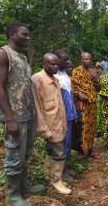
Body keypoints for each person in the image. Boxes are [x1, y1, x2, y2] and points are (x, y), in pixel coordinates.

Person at [0, 23, 44, 206]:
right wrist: (9, 118)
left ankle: (24, 186)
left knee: (25, 153)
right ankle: (13, 195)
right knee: (14, 154)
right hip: (15, 115)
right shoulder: (2, 54)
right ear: (12, 33)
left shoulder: (22, 56)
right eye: (24, 34)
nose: (27, 37)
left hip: (28, 114)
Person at [31, 53, 72, 194]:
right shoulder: (37, 80)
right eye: (52, 64)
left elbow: (59, 104)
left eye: (56, 64)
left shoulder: (55, 79)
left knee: (52, 151)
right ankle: (56, 180)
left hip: (59, 122)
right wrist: (43, 129)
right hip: (49, 125)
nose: (56, 67)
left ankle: (50, 177)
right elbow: (36, 107)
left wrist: (64, 123)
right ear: (44, 64)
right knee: (59, 153)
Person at [54, 49, 77, 181]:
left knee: (67, 144)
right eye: (64, 59)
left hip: (69, 115)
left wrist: (73, 114)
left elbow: (70, 95)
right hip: (59, 117)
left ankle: (65, 169)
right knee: (60, 145)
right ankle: (59, 173)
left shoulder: (65, 74)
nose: (67, 61)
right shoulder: (54, 76)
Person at [71, 52, 96, 157]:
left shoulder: (93, 72)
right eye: (86, 59)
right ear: (81, 60)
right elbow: (74, 87)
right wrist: (79, 94)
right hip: (82, 104)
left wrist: (96, 80)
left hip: (92, 104)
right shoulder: (76, 71)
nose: (88, 61)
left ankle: (90, 148)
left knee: (91, 126)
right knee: (83, 127)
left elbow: (97, 88)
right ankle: (82, 150)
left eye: (89, 59)